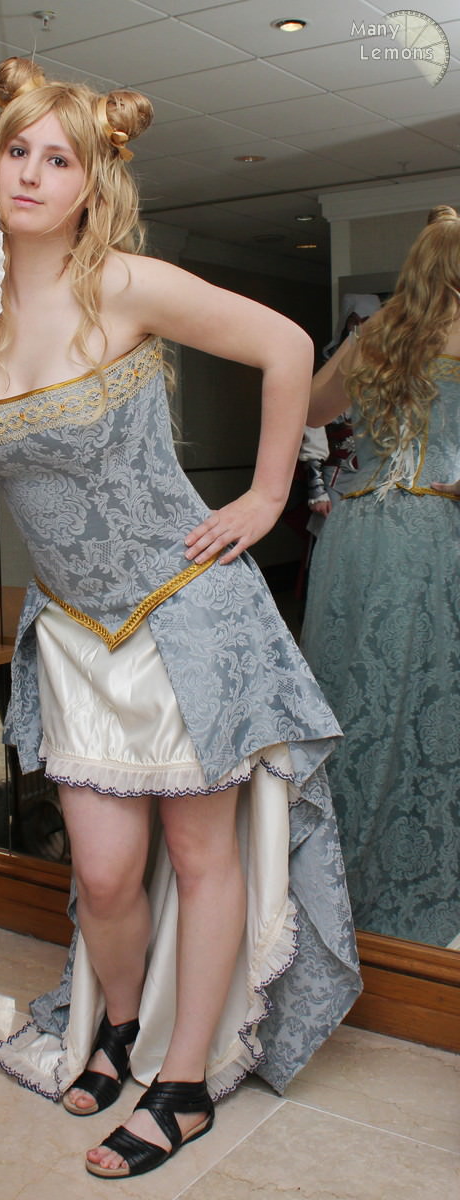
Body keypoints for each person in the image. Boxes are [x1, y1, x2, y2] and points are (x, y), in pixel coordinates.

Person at [0, 57, 360, 1181]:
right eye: (17, 151)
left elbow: (287, 348)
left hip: (184, 614)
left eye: (58, 159)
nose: (32, 173)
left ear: (91, 186)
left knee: (200, 855)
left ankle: (182, 1087)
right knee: (102, 873)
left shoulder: (127, 285)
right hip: (69, 631)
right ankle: (117, 1030)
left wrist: (264, 497)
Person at [301, 206, 460, 948]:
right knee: (432, 697)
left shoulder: (376, 336)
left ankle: (326, 877)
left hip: (359, 535)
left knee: (351, 693)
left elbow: (307, 406)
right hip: (434, 530)